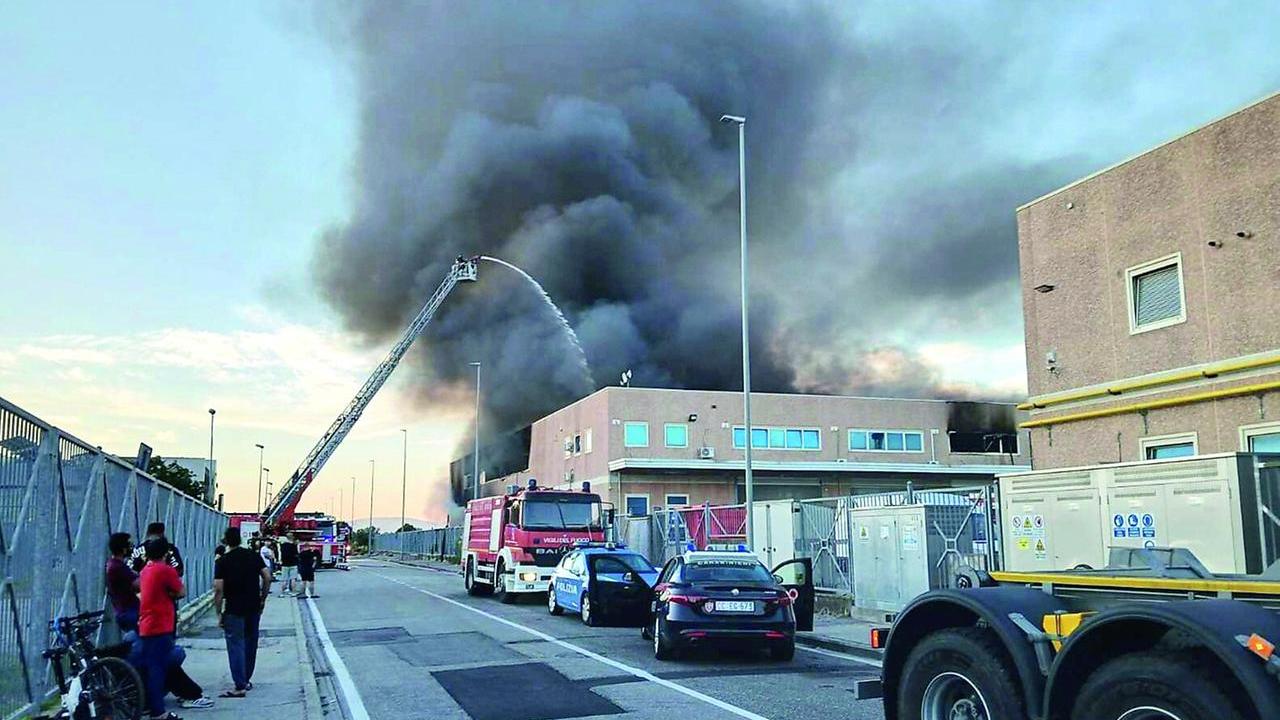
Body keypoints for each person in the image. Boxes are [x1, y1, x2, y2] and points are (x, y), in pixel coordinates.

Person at [214, 527, 271, 697]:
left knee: (236, 645)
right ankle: (246, 679)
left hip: (233, 608)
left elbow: (218, 589)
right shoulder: (253, 556)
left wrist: (218, 612)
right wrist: (263, 598)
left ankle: (239, 685)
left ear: (226, 541)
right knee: (250, 643)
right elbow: (267, 577)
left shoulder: (222, 561)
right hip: (253, 606)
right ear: (239, 539)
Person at [139, 538, 185, 720]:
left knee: (153, 666)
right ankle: (158, 710)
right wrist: (170, 593)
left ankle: (151, 705)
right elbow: (181, 592)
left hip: (147, 624)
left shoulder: (145, 571)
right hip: (161, 624)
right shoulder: (166, 570)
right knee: (160, 667)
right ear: (165, 553)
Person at [106, 533, 140, 634]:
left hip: (126, 610)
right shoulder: (118, 567)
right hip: (128, 612)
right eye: (128, 545)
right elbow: (138, 585)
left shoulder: (115, 564)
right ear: (123, 548)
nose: (131, 547)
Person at [278, 533, 298, 597]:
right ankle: (293, 592)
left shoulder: (283, 545)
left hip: (284, 564)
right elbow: (296, 554)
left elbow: (281, 553)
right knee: (293, 579)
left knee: (284, 579)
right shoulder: (294, 546)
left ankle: (282, 593)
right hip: (293, 564)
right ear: (292, 537)